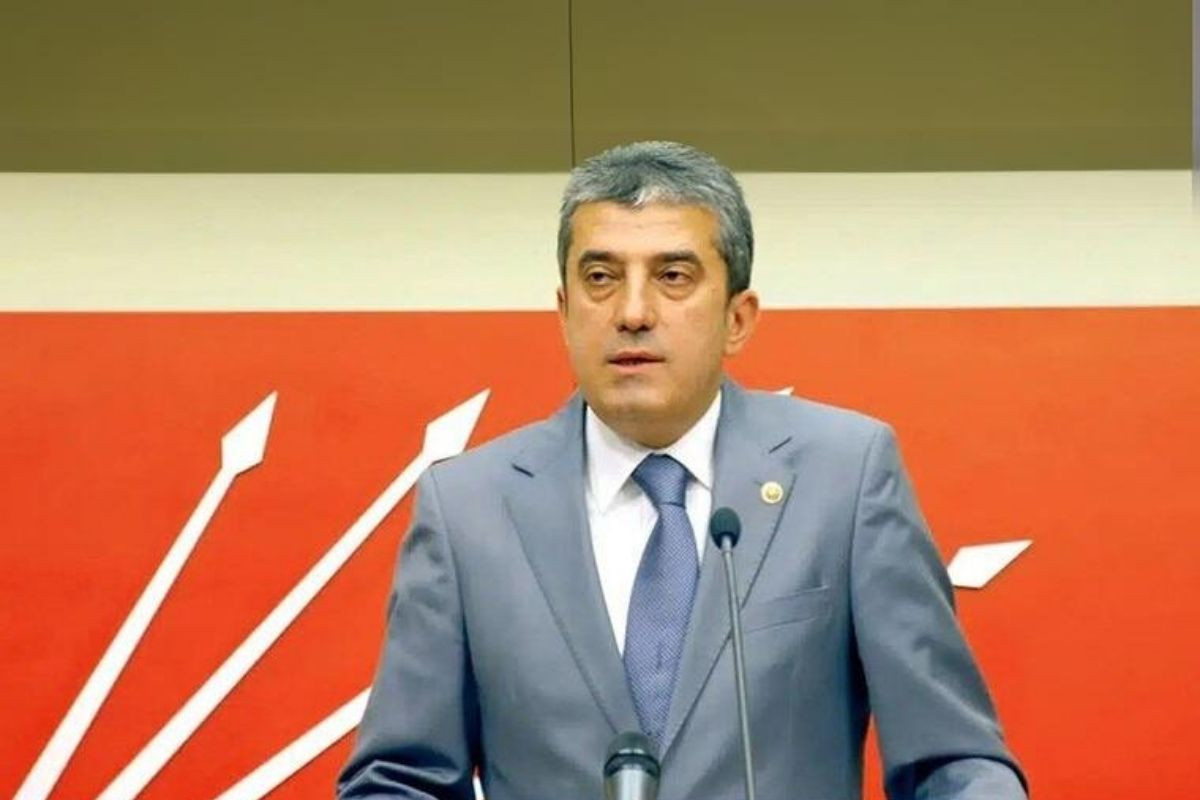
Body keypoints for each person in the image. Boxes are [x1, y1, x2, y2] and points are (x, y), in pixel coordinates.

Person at [337, 141, 1028, 799]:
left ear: (738, 318)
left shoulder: (845, 479)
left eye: (673, 277)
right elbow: (400, 780)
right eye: (601, 278)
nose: (633, 313)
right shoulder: (468, 510)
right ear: (564, 312)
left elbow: (953, 762)